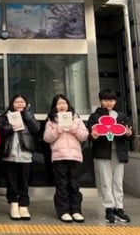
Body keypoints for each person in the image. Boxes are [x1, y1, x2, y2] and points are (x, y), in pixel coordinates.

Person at [86, 89, 134, 223]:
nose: (109, 103)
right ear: (101, 101)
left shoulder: (121, 116)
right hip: (102, 153)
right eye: (106, 100)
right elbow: (91, 135)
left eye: (112, 100)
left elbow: (130, 134)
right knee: (105, 181)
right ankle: (109, 208)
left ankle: (119, 208)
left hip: (118, 153)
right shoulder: (95, 117)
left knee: (118, 181)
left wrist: (129, 134)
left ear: (115, 101)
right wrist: (93, 136)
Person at [43, 94, 89, 223]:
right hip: (59, 157)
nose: (62, 106)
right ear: (55, 107)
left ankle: (76, 210)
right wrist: (58, 129)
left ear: (68, 105)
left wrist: (73, 129)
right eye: (58, 104)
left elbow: (84, 136)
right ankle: (63, 211)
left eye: (64, 103)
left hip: (75, 157)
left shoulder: (76, 119)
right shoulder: (52, 120)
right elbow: (47, 138)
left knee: (75, 185)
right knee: (61, 185)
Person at [0, 94, 40, 221]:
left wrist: (27, 116)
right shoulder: (4, 116)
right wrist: (10, 127)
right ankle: (13, 204)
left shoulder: (29, 116)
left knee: (24, 181)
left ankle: (24, 205)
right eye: (16, 102)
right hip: (9, 154)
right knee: (11, 181)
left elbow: (36, 129)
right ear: (11, 103)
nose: (19, 104)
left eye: (22, 101)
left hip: (25, 154)